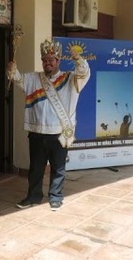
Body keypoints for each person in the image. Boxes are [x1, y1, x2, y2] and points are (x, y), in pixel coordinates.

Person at [7, 37, 90, 211]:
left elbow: (84, 72)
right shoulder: (34, 78)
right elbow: (18, 79)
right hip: (37, 132)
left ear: (58, 60)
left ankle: (56, 197)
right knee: (36, 169)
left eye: (51, 60)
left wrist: (78, 59)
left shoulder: (70, 78)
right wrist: (12, 71)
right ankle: (33, 196)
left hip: (59, 133)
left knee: (58, 168)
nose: (47, 63)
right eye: (44, 60)